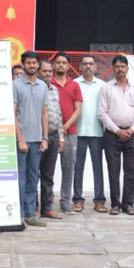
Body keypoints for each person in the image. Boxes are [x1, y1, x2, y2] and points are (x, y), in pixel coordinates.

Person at [97, 54, 134, 216]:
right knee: (113, 170)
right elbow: (102, 113)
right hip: (112, 135)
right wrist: (117, 131)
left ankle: (128, 204)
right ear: (113, 68)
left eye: (122, 66)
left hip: (132, 133)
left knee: (131, 170)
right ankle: (115, 204)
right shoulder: (106, 88)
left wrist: (130, 130)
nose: (120, 69)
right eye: (116, 66)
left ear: (127, 68)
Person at [13, 50, 49, 226]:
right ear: (23, 64)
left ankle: (30, 214)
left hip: (37, 140)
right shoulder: (15, 84)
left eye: (35, 63)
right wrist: (20, 139)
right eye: (29, 63)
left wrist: (45, 138)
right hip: (21, 140)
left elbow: (44, 113)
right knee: (20, 178)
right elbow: (12, 114)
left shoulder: (42, 86)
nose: (32, 66)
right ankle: (18, 215)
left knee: (33, 178)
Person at [49, 52, 83, 214]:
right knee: (46, 169)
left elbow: (78, 110)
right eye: (58, 62)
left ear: (69, 66)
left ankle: (65, 201)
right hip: (50, 133)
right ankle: (46, 202)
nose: (61, 65)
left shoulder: (74, 85)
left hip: (70, 133)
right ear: (53, 65)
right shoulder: (48, 83)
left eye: (64, 63)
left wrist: (66, 125)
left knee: (68, 168)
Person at [73, 54, 107, 212]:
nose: (88, 66)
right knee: (77, 167)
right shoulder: (73, 84)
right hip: (77, 132)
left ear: (95, 67)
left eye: (91, 64)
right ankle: (78, 199)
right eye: (85, 64)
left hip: (97, 132)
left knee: (98, 167)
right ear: (80, 67)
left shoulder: (102, 85)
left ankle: (99, 200)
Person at [37, 60, 66, 219]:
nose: (48, 74)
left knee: (48, 176)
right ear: (38, 72)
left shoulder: (54, 90)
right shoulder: (35, 90)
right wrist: (43, 137)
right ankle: (32, 208)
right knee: (34, 175)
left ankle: (47, 208)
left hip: (55, 136)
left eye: (50, 71)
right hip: (39, 137)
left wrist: (61, 138)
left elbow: (59, 116)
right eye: (45, 71)